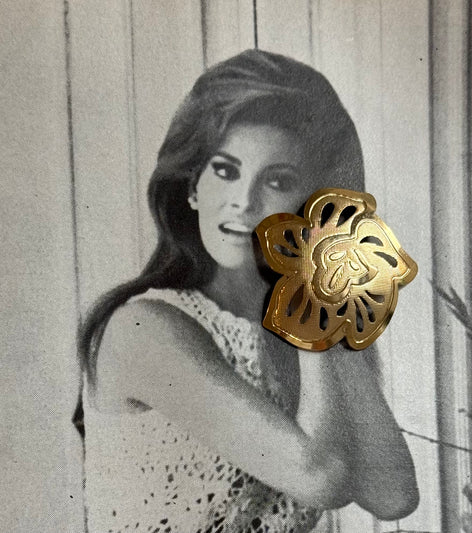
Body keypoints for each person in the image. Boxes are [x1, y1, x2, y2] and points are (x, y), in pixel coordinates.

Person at [79, 49, 419, 533]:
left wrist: (322, 284)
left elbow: (393, 494)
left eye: (277, 180)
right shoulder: (142, 329)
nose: (243, 202)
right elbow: (320, 477)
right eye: (225, 170)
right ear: (192, 186)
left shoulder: (299, 320)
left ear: (311, 204)